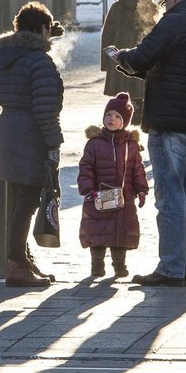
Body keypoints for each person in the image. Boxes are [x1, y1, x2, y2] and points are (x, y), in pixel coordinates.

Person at [109, 0, 186, 287]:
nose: (161, 6)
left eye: (163, 0)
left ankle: (171, 268)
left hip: (169, 121)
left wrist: (121, 59)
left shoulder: (174, 22)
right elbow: (172, 64)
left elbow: (144, 56)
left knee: (170, 198)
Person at [0, 1, 65, 288]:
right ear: (43, 28)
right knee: (29, 199)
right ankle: (17, 265)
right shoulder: (39, 61)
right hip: (29, 133)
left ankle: (20, 260)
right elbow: (45, 108)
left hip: (8, 129)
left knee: (18, 200)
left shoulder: (12, 55)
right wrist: (53, 143)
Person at [77, 93, 149, 278]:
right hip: (98, 196)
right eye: (108, 115)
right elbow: (86, 167)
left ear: (124, 121)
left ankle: (119, 265)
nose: (112, 119)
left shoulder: (131, 145)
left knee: (120, 234)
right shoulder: (94, 143)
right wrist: (88, 190)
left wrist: (141, 190)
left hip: (124, 198)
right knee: (98, 233)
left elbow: (137, 169)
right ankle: (97, 265)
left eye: (117, 116)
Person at [100, 0, 160, 124]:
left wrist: (106, 65)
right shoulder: (152, 9)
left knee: (120, 104)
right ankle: (135, 137)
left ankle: (121, 132)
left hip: (118, 61)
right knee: (140, 104)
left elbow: (107, 36)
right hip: (143, 62)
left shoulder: (116, 7)